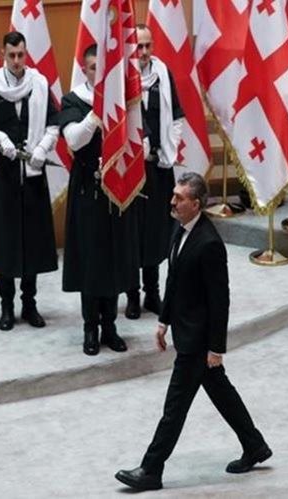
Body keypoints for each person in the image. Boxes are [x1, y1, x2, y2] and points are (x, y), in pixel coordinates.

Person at [115, 172, 272, 491]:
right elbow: (173, 282)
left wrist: (216, 348)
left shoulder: (210, 244)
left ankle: (151, 469)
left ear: (196, 204)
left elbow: (220, 301)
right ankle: (254, 445)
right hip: (184, 330)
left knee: (173, 409)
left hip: (198, 342)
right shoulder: (181, 229)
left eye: (179, 198)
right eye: (173, 195)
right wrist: (163, 322)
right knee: (221, 392)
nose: (172, 201)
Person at [0, 31, 59, 331]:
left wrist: (43, 148)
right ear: (3, 54)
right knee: (6, 241)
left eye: (21, 55)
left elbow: (54, 123)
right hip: (4, 177)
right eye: (12, 55)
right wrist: (0, 139)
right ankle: (6, 306)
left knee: (32, 241)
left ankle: (30, 304)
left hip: (33, 174)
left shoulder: (40, 84)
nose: (18, 61)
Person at [59, 44, 140, 356]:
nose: (99, 73)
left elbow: (136, 135)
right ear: (84, 69)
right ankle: (90, 326)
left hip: (116, 190)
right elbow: (74, 140)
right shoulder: (73, 100)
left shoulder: (121, 101)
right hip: (88, 192)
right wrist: (96, 115)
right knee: (92, 263)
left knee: (114, 259)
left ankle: (110, 325)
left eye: (103, 68)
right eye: (94, 68)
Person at [124, 24, 185, 320]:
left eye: (148, 46)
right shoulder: (122, 77)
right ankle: (132, 295)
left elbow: (176, 115)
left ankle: (152, 292)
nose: (145, 53)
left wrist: (169, 152)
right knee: (132, 232)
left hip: (159, 167)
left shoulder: (163, 73)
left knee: (157, 231)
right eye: (139, 47)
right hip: (132, 170)